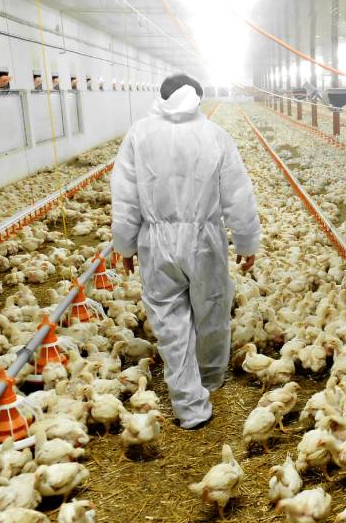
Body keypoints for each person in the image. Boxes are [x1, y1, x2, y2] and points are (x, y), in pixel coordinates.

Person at [110, 74, 261, 429]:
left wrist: (125, 244)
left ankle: (189, 406)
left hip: (156, 240)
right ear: (198, 97)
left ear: (160, 97)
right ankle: (210, 377)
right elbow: (237, 193)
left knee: (168, 321)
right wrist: (245, 240)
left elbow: (125, 196)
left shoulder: (139, 134)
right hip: (205, 239)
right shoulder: (213, 135)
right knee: (211, 309)